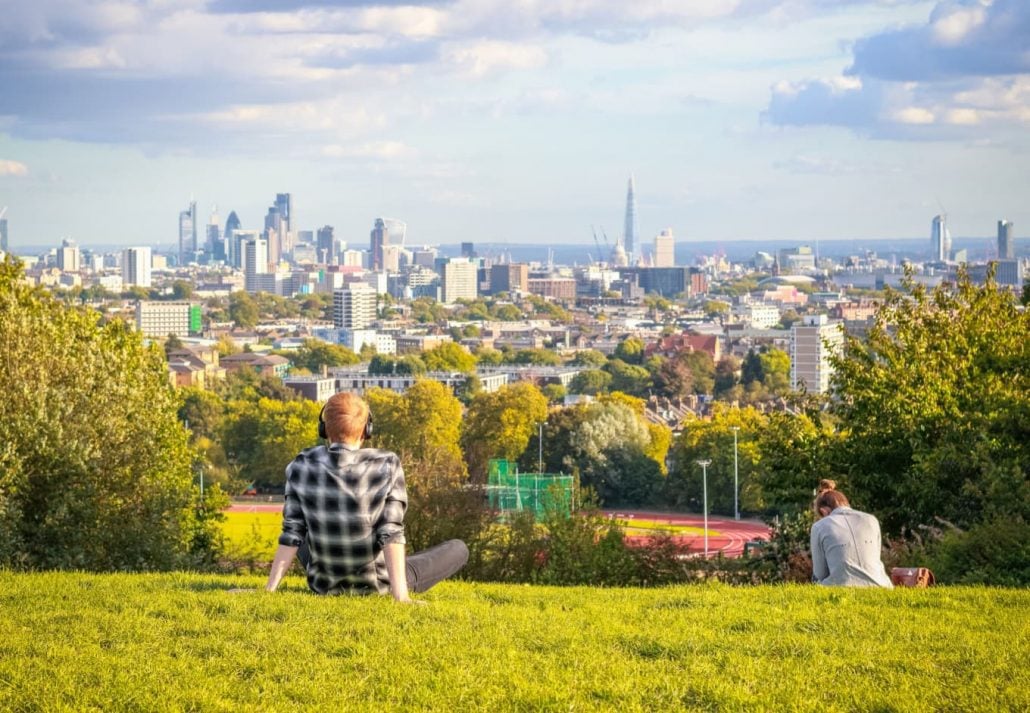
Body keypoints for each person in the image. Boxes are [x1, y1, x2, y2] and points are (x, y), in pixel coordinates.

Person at [265, 392, 468, 602]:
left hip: (324, 584)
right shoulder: (386, 464)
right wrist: (402, 597)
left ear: (324, 429)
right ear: (366, 430)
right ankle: (397, 581)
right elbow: (391, 532)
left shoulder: (302, 463)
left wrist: (269, 589)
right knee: (458, 548)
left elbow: (292, 532)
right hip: (377, 585)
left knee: (302, 529)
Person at [810, 481, 893, 588]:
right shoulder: (871, 520)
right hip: (881, 585)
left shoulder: (819, 527)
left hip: (841, 587)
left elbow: (819, 574)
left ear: (824, 511)